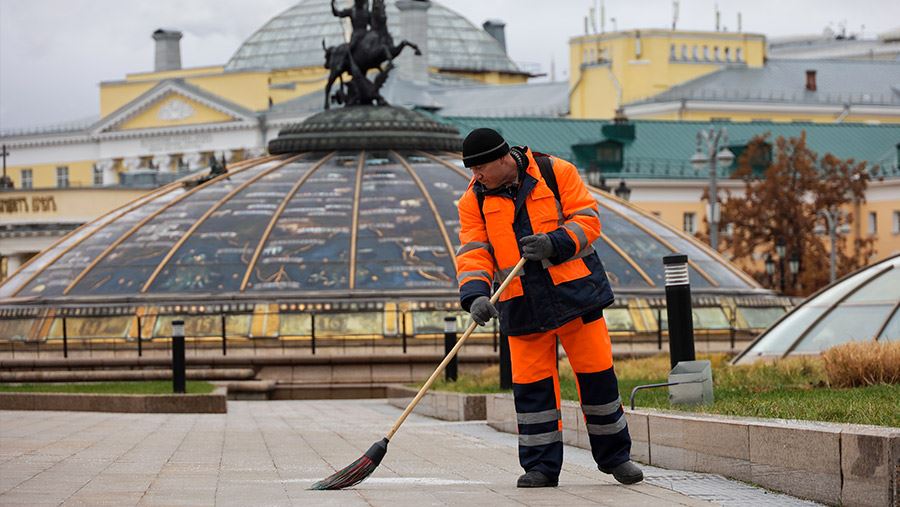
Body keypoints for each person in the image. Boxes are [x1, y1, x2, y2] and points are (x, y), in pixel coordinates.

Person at [455, 128, 643, 488]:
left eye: (479, 168)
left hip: (577, 297)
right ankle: (541, 467)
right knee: (532, 393)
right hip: (520, 306)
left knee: (599, 382)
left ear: (501, 158)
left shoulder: (557, 172)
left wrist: (554, 242)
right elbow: (473, 251)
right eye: (471, 170)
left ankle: (617, 458)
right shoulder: (473, 201)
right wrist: (475, 295)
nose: (474, 176)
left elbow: (588, 220)